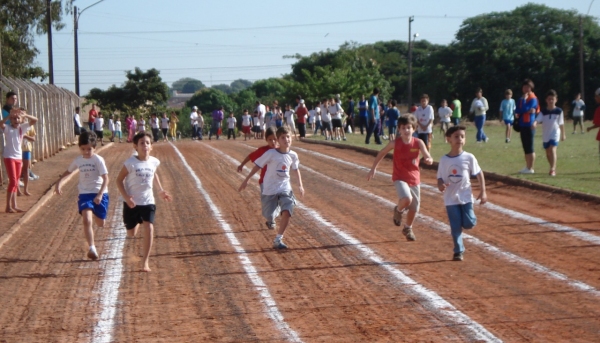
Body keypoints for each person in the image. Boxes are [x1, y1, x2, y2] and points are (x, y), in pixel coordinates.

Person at [367, 114, 433, 241]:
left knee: (414, 208)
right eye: (403, 128)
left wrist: (429, 159)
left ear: (414, 129)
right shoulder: (395, 143)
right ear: (399, 129)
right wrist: (373, 168)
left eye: (409, 128)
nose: (406, 130)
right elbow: (382, 152)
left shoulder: (418, 142)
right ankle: (398, 210)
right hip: (399, 177)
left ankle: (407, 228)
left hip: (414, 178)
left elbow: (427, 155)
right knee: (406, 198)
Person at [239, 126, 304, 249]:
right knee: (268, 214)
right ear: (278, 140)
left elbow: (296, 169)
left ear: (292, 138)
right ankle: (274, 212)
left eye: (288, 137)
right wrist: (246, 179)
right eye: (283, 138)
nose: (286, 140)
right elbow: (257, 166)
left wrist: (300, 185)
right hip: (269, 188)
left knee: (288, 210)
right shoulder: (270, 153)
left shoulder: (293, 155)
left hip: (285, 188)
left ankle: (278, 239)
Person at [116, 131, 172, 272]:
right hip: (132, 203)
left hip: (148, 201)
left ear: (151, 146)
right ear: (135, 146)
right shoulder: (130, 163)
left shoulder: (154, 162)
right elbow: (118, 180)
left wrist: (160, 190)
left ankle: (145, 262)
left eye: (147, 143)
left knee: (149, 227)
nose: (145, 145)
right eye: (142, 143)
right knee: (131, 233)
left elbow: (153, 174)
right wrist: (126, 197)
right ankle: (136, 223)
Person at [55, 130, 108, 261]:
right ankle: (92, 247)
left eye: (89, 149)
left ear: (94, 148)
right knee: (86, 220)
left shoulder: (98, 160)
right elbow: (68, 171)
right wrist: (58, 183)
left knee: (100, 223)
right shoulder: (78, 160)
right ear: (79, 148)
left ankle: (96, 213)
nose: (86, 152)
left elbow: (106, 178)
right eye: (83, 149)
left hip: (99, 193)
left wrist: (100, 194)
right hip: (84, 194)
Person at [437, 125, 487, 261]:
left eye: (462, 136)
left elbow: (479, 173)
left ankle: (470, 219)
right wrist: (441, 185)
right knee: (455, 225)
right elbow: (439, 177)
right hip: (450, 198)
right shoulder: (444, 160)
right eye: (456, 136)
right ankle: (458, 251)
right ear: (449, 139)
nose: (459, 139)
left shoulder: (469, 157)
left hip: (465, 196)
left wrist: (483, 192)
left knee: (469, 223)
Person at [237, 126, 279, 228]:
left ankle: (272, 218)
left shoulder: (281, 150)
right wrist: (242, 165)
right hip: (264, 181)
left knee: (278, 200)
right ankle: (270, 220)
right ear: (266, 140)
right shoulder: (263, 150)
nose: (273, 142)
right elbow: (251, 156)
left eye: (275, 139)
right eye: (270, 139)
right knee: (267, 201)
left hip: (278, 181)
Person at [2, 108, 36, 212]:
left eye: (18, 118)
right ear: (11, 120)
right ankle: (8, 206)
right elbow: (1, 124)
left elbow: (35, 120)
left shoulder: (22, 128)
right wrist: (9, 115)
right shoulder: (7, 128)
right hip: (9, 157)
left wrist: (25, 115)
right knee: (12, 181)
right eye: (13, 118)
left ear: (21, 120)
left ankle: (14, 205)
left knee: (16, 181)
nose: (16, 120)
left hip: (18, 157)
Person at [537, 90, 566, 176]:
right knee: (547, 152)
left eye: (552, 99)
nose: (551, 101)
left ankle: (553, 169)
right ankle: (552, 167)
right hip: (546, 134)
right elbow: (538, 119)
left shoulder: (559, 111)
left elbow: (561, 123)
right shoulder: (543, 111)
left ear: (556, 100)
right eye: (549, 99)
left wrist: (563, 134)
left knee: (552, 149)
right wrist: (534, 123)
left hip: (555, 133)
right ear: (546, 100)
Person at [515, 79, 540, 174]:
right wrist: (523, 103)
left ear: (531, 88)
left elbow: (525, 108)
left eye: (528, 87)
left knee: (530, 147)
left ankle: (531, 168)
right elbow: (518, 110)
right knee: (525, 147)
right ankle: (527, 166)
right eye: (524, 86)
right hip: (522, 125)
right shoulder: (522, 98)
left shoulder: (533, 98)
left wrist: (524, 104)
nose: (526, 89)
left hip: (529, 125)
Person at [19, 122, 36, 196]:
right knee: (18, 170)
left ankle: (26, 190)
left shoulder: (30, 126)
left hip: (26, 149)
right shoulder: (16, 125)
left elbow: (33, 139)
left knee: (26, 169)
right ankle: (18, 190)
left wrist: (25, 136)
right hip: (17, 150)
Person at [587, 88, 600, 161]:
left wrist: (590, 128)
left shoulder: (599, 109)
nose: (595, 98)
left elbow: (598, 124)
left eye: (596, 96)